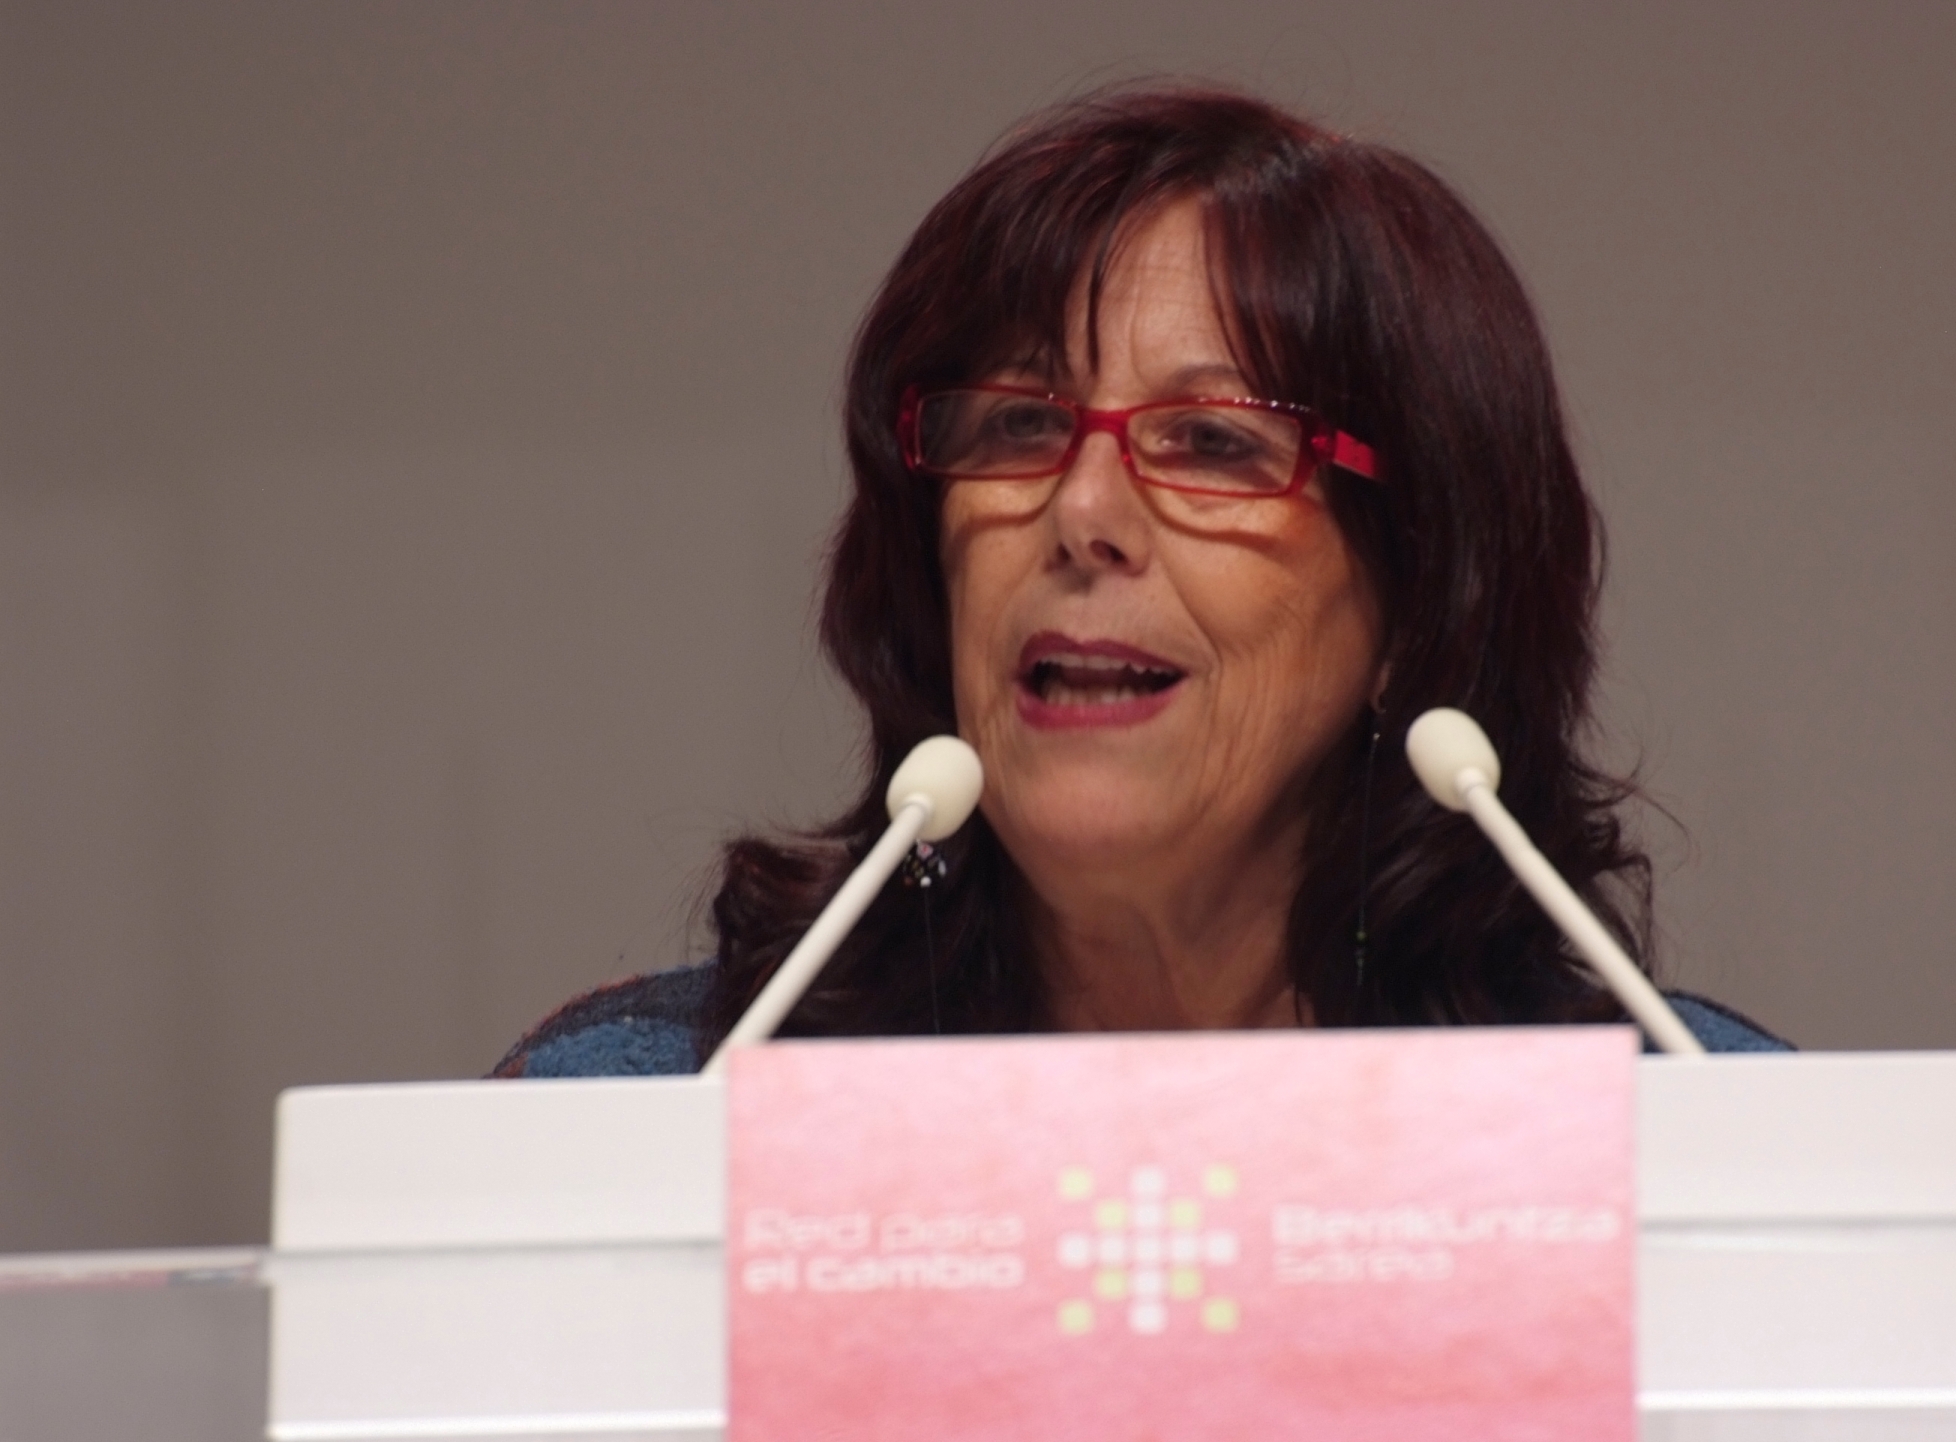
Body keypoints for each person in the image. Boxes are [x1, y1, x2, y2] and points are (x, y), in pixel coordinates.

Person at [494, 84, 1785, 1078]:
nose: (1083, 515)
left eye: (1213, 442)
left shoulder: (1690, 1137)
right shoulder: (652, 1113)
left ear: (1418, 592)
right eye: (1017, 425)